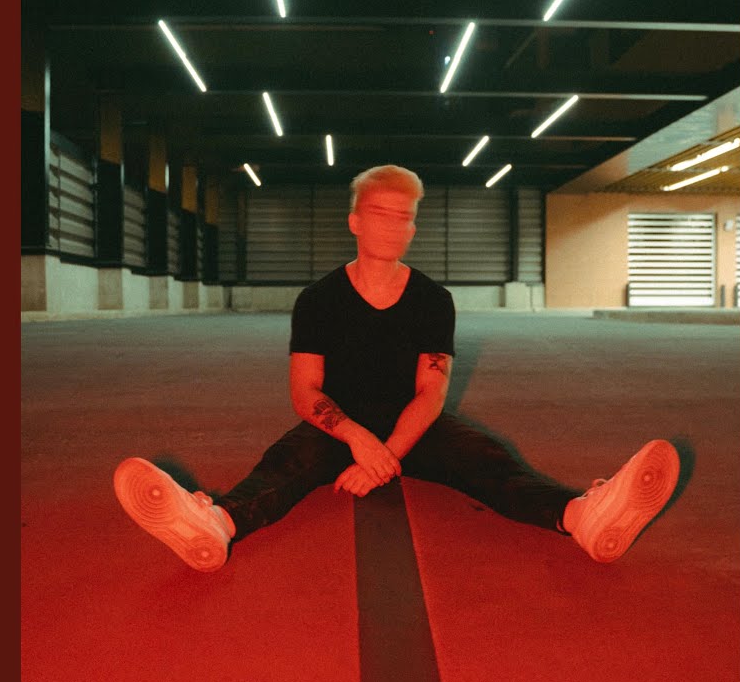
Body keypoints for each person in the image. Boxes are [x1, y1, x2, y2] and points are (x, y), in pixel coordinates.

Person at [113, 164, 681, 572]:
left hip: (414, 424)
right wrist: (360, 442)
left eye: (403, 218)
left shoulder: (433, 300)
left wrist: (387, 457)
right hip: (339, 425)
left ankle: (581, 514)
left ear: (412, 229)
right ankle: (215, 523)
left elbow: (431, 394)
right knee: (284, 466)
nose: (391, 226)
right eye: (379, 214)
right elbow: (306, 392)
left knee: (488, 461)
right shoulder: (318, 300)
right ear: (355, 222)